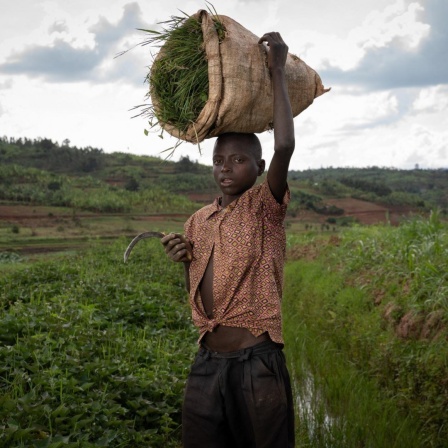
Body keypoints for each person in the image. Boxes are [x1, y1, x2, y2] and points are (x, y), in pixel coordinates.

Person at [161, 31, 295, 448]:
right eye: (219, 160)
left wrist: (277, 69)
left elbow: (286, 144)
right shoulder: (198, 220)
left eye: (239, 160)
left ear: (259, 166)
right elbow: (198, 291)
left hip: (257, 364)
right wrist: (185, 260)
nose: (226, 168)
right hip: (207, 363)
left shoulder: (264, 207)